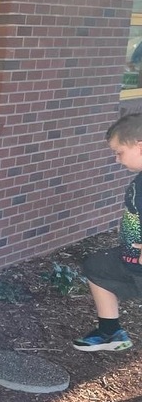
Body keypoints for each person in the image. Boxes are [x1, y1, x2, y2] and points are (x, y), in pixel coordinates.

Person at [72, 113, 142, 352]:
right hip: (130, 261)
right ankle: (110, 331)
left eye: (119, 152)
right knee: (96, 266)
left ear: (140, 146)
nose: (116, 159)